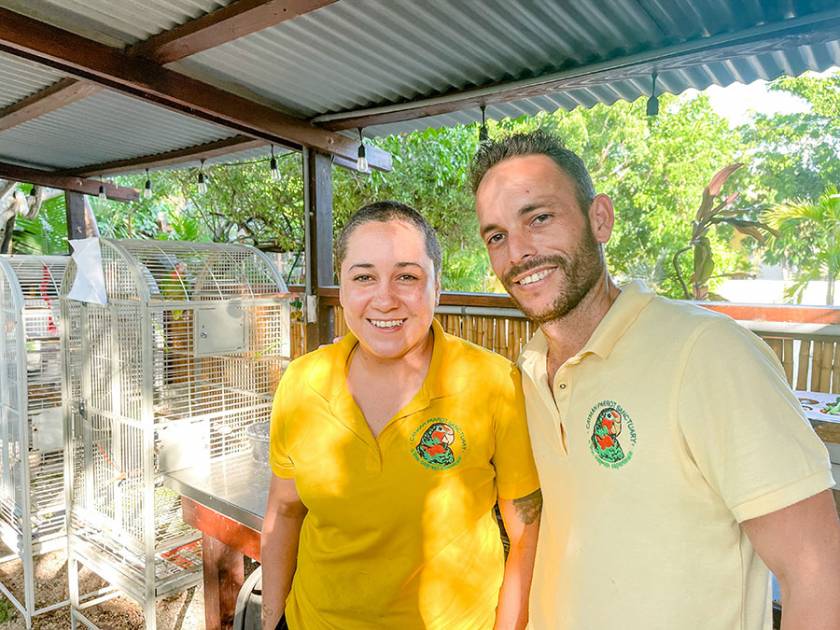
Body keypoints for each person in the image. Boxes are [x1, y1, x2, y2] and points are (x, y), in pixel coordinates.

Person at [470, 129, 840, 630]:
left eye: (539, 218)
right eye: (496, 236)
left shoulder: (707, 353)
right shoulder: (529, 372)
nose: (518, 252)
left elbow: (817, 572)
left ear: (599, 218)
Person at [261, 201, 542, 630]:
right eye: (364, 277)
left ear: (437, 287)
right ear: (342, 285)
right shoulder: (302, 382)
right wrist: (271, 619)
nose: (385, 299)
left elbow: (525, 534)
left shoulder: (493, 382)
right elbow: (283, 514)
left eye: (407, 276)